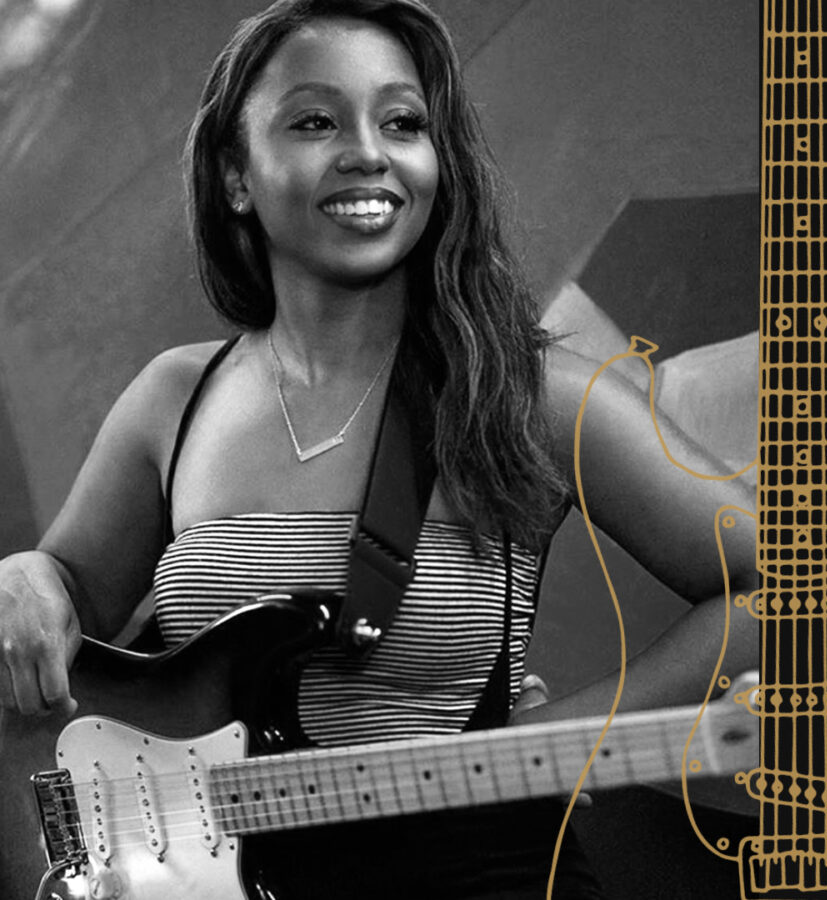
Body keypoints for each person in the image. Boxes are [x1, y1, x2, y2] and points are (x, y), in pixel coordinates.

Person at [0, 0, 757, 896]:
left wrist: (578, 740)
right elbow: (70, 593)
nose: (369, 150)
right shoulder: (173, 397)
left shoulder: (527, 392)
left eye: (402, 122)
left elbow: (792, 580)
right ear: (236, 175)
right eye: (316, 120)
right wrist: (26, 578)